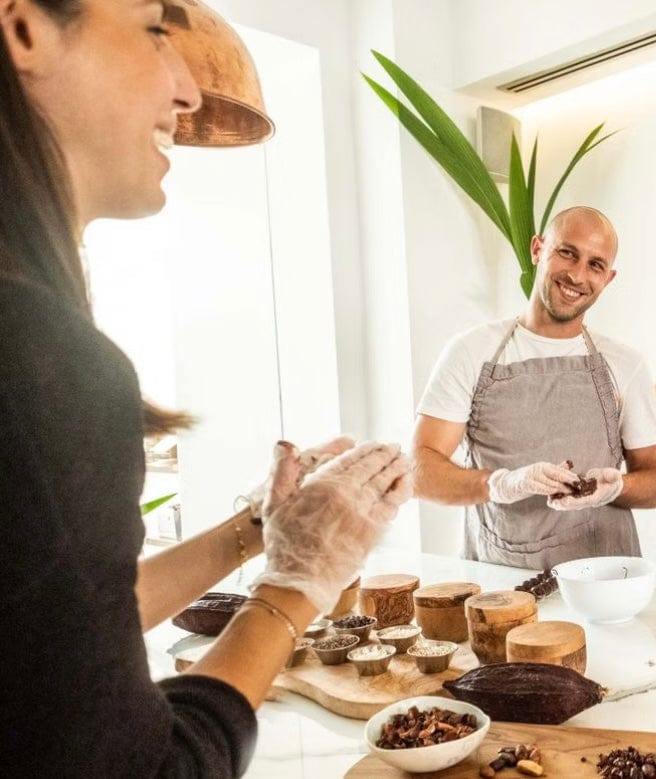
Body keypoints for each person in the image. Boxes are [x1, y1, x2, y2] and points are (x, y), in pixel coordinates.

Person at [0, 1, 410, 775]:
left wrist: (257, 529)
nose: (188, 94)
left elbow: (72, 620)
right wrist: (296, 586)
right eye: (155, 28)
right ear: (24, 27)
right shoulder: (38, 359)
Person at [412, 206, 656, 569]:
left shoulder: (625, 364)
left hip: (604, 582)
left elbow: (655, 482)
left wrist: (616, 488)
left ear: (608, 279)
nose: (578, 275)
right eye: (567, 252)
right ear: (537, 249)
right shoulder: (471, 352)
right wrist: (502, 484)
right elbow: (419, 470)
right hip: (502, 581)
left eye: (595, 265)